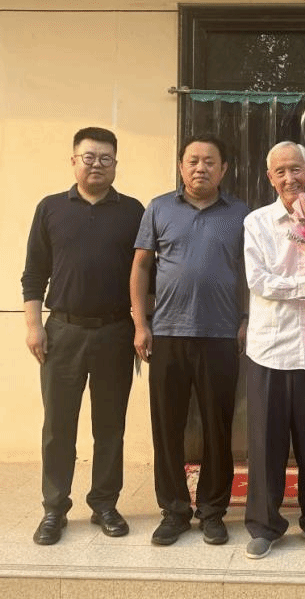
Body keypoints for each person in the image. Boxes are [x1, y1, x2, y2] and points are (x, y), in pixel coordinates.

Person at [21, 127, 144, 546]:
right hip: (63, 332)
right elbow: (34, 273)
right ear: (73, 161)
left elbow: (145, 274)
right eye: (89, 157)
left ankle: (105, 504)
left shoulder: (133, 212)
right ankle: (54, 508)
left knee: (110, 426)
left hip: (115, 332)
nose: (97, 165)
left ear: (115, 164)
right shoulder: (51, 208)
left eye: (106, 158)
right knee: (58, 426)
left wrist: (141, 325)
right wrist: (33, 325)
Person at [130, 133, 250, 547]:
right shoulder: (159, 208)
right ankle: (175, 510)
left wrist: (246, 317)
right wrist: (140, 324)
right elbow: (141, 266)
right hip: (167, 334)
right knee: (168, 427)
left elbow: (250, 271)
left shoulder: (240, 213)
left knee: (218, 427)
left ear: (224, 169)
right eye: (193, 161)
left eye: (210, 161)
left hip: (221, 335)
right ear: (181, 166)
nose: (201, 168)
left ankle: (213, 511)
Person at [241, 141, 305, 560]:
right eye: (280, 171)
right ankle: (264, 526)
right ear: (270, 178)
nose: (290, 178)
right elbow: (259, 280)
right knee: (265, 444)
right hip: (269, 347)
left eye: (296, 169)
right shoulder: (257, 222)